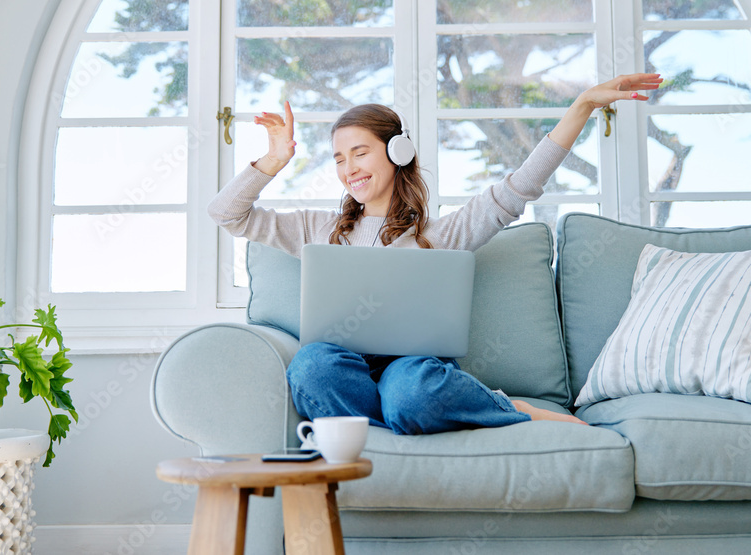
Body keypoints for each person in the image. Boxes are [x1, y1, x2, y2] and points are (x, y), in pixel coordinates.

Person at [209, 73, 663, 435]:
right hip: (342, 367)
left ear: (396, 151)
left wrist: (581, 106)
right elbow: (227, 215)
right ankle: (398, 423)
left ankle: (491, 408)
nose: (349, 169)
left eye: (360, 153)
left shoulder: (441, 234)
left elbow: (522, 185)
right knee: (311, 366)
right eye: (339, 158)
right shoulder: (316, 228)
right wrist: (273, 160)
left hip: (413, 369)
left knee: (412, 395)